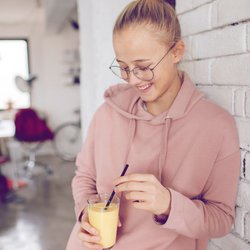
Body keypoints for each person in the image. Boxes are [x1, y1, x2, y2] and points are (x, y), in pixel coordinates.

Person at [67, 0, 240, 249]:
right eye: (124, 68)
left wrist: (168, 204)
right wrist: (85, 213)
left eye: (144, 67)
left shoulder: (216, 127)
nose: (133, 79)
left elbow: (221, 219)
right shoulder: (107, 114)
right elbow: (84, 176)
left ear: (176, 52)